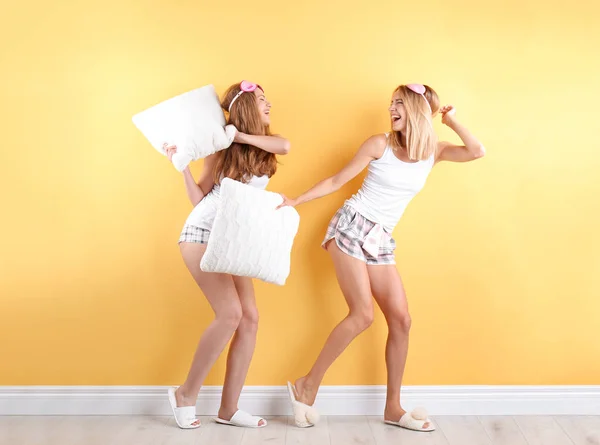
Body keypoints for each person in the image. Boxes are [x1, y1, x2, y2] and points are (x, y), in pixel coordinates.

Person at [279, 83, 485, 431]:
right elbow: (337, 180)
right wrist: (296, 201)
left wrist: (452, 122)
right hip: (352, 225)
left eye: (400, 104)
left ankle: (392, 407)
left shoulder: (435, 150)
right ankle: (307, 384)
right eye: (392, 104)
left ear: (418, 111)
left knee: (401, 320)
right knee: (362, 315)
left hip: (381, 238)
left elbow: (477, 151)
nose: (392, 109)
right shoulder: (379, 144)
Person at [165, 80, 291, 429]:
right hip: (202, 234)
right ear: (248, 107)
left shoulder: (261, 145)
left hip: (235, 239)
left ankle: (229, 409)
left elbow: (286, 144)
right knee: (231, 314)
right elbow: (199, 200)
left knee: (250, 317)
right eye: (263, 100)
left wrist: (240, 136)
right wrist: (183, 168)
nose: (269, 105)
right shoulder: (218, 151)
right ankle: (185, 395)